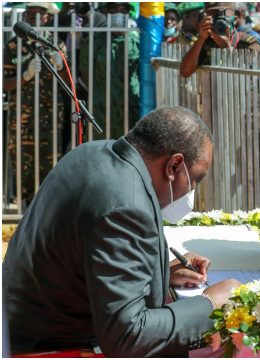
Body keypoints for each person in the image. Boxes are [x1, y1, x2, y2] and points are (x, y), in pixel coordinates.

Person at [2, 106, 241, 357]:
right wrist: (210, 305)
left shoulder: (91, 153)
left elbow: (81, 263)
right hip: (48, 347)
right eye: (196, 179)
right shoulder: (127, 205)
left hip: (21, 325)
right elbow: (128, 337)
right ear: (174, 166)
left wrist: (159, 274)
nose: (193, 191)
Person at [2, 2, 66, 206]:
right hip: (22, 120)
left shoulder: (56, 43)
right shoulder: (13, 45)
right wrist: (25, 75)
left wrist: (62, 65)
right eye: (31, 13)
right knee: (23, 172)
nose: (35, 17)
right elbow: (5, 83)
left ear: (48, 17)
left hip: (50, 120)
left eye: (40, 13)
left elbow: (69, 83)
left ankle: (46, 219)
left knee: (50, 172)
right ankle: (24, 216)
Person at [78, 2, 140, 140]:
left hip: (130, 107)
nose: (118, 13)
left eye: (122, 10)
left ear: (128, 14)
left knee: (130, 149)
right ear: (106, 13)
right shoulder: (94, 40)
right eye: (113, 9)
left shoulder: (136, 40)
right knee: (101, 149)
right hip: (102, 109)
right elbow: (86, 72)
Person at [180, 2, 260, 78]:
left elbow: (250, 77)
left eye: (221, 17)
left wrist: (226, 46)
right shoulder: (206, 42)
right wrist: (201, 38)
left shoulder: (250, 42)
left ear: (235, 19)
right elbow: (185, 71)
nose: (217, 21)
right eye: (213, 18)